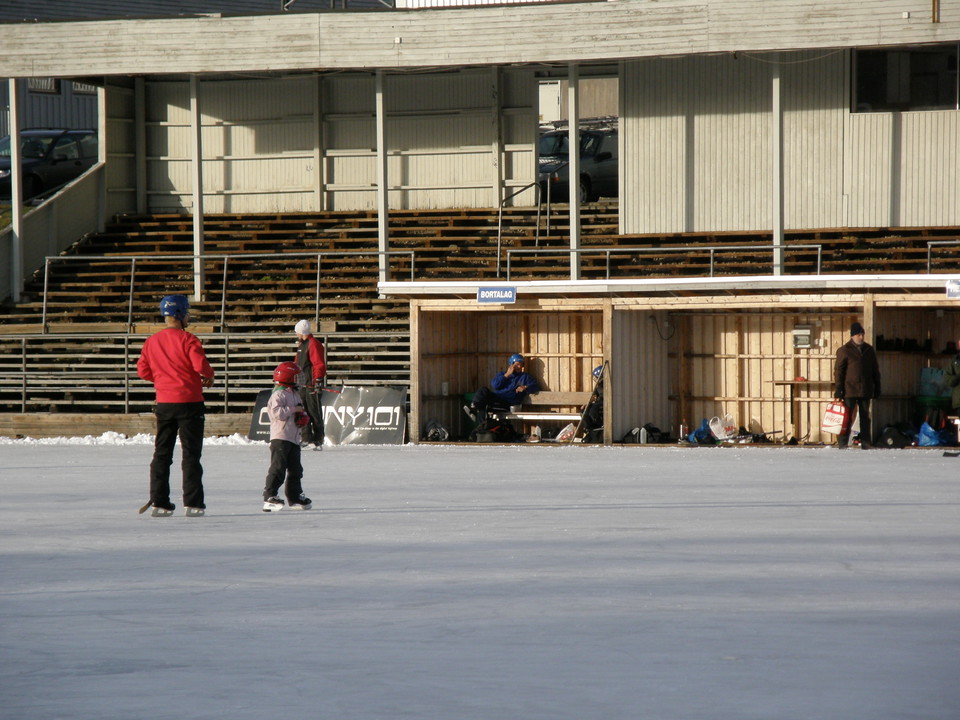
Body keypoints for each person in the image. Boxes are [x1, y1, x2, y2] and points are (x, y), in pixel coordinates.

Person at [137, 294, 214, 517]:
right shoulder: (188, 339)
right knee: (191, 455)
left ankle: (159, 501)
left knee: (162, 453)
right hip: (190, 402)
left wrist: (162, 380)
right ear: (181, 314)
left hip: (165, 403)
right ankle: (193, 503)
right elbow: (201, 366)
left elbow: (142, 371)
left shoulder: (151, 341)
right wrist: (209, 375)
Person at [262, 362, 313, 512]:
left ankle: (295, 496)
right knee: (278, 468)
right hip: (281, 438)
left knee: (296, 469)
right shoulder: (278, 394)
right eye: (296, 377)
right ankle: (269, 496)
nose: (299, 380)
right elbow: (277, 413)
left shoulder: (295, 394)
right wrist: (293, 409)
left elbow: (299, 411)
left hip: (294, 438)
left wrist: (303, 417)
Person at [834, 321, 881, 449]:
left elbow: (875, 370)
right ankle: (843, 442)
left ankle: (866, 442)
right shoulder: (844, 350)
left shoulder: (869, 350)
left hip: (865, 389)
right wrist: (838, 389)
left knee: (865, 417)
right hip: (849, 389)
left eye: (862, 334)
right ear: (853, 336)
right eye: (859, 334)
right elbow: (839, 371)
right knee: (847, 417)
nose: (861, 337)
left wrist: (877, 387)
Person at [464, 353, 541, 421]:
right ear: (511, 364)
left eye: (521, 364)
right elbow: (495, 385)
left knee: (483, 409)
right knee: (483, 390)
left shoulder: (525, 377)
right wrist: (506, 375)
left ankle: (480, 424)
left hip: (508, 403)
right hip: (497, 398)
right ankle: (474, 408)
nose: (519, 366)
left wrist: (525, 387)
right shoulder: (503, 374)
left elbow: (535, 386)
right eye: (517, 364)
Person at [294, 319, 327, 450]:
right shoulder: (302, 345)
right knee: (303, 411)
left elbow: (319, 364)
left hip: (312, 384)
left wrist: (318, 380)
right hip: (302, 384)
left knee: (314, 412)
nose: (296, 334)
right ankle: (306, 438)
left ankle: (318, 440)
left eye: (296, 332)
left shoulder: (313, 344)